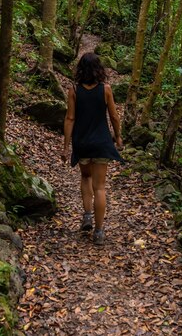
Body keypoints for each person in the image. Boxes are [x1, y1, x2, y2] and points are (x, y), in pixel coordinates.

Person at [61, 52, 124, 245]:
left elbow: (70, 118)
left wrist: (66, 146)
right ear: (99, 69)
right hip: (101, 143)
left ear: (80, 69)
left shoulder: (74, 90)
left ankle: (87, 215)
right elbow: (114, 116)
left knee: (85, 177)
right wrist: (119, 136)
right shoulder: (106, 89)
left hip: (82, 142)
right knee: (100, 187)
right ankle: (98, 231)